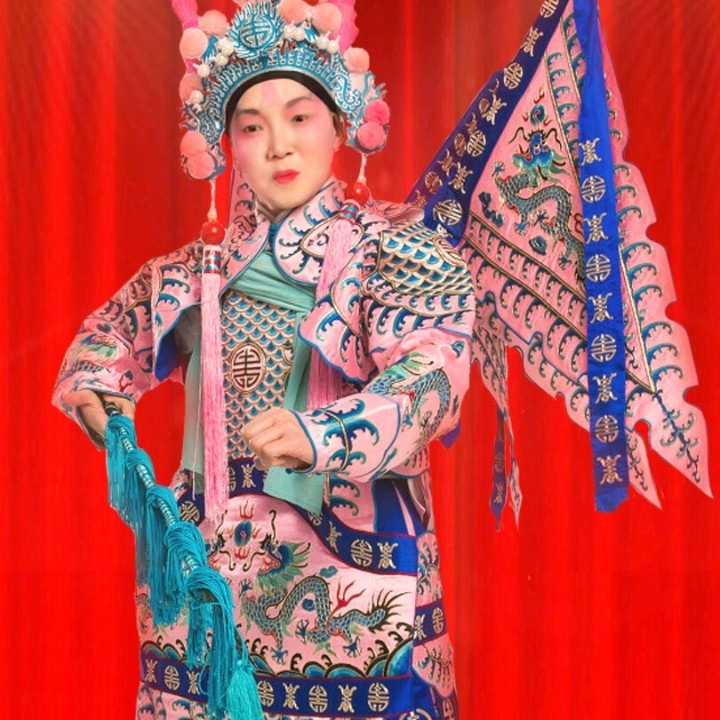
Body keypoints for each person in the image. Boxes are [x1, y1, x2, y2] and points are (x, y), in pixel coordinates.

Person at [53, 1, 475, 718]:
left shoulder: (393, 254)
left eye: (299, 118)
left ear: (340, 125)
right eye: (252, 127)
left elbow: (430, 375)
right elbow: (105, 340)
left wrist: (323, 432)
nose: (279, 147)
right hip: (205, 572)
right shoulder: (194, 272)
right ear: (226, 146)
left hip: (351, 583)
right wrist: (98, 392)